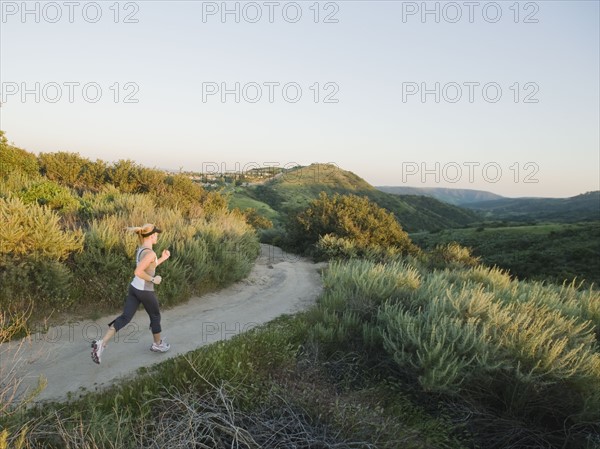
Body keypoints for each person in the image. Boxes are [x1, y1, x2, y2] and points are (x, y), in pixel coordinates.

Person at [91, 223, 171, 364]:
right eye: (156, 233)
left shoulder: (142, 250)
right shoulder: (150, 253)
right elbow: (138, 272)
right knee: (155, 315)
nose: (157, 235)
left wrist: (163, 258)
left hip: (134, 288)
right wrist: (154, 279)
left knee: (125, 318)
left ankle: (101, 344)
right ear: (151, 235)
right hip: (145, 291)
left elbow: (148, 266)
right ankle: (157, 345)